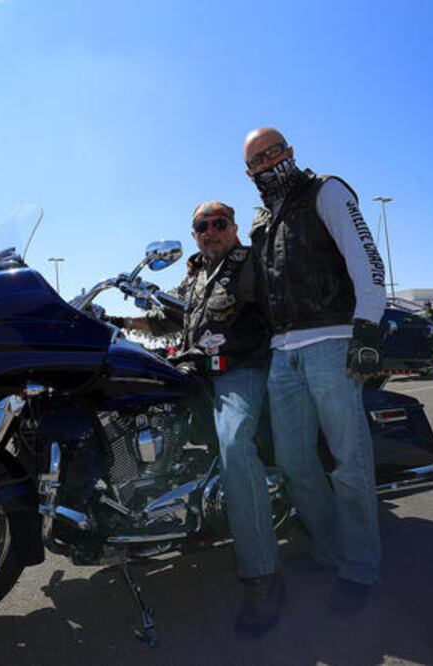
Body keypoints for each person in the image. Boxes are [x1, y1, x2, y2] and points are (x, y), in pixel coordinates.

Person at [111, 201, 282, 637]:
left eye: (218, 223)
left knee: (234, 448)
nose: (210, 231)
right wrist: (110, 320)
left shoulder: (251, 264)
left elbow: (281, 310)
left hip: (238, 371)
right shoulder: (195, 275)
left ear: (233, 227)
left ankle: (262, 578)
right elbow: (166, 321)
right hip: (191, 371)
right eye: (201, 226)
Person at [244, 127, 386, 614]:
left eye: (273, 152)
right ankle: (328, 550)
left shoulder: (325, 190)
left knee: (349, 459)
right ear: (250, 173)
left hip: (331, 340)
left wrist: (366, 328)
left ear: (290, 152)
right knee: (294, 461)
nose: (267, 162)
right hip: (282, 351)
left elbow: (366, 257)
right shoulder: (262, 220)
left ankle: (360, 566)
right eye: (257, 161)